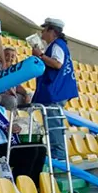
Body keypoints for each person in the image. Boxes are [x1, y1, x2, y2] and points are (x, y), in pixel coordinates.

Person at [32, 17, 79, 162]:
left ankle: (58, 156)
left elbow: (57, 64)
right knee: (52, 124)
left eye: (44, 29)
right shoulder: (59, 45)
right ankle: (56, 153)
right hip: (58, 91)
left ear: (52, 31)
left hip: (55, 92)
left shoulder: (57, 45)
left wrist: (40, 55)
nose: (42, 33)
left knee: (54, 125)